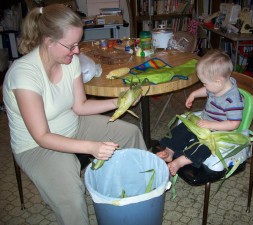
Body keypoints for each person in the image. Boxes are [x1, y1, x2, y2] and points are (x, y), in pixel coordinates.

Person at [2, 4, 146, 225]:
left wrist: (118, 102)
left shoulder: (70, 61)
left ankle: (139, 191)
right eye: (71, 46)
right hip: (36, 146)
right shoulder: (24, 75)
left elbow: (80, 106)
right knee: (71, 196)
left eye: (77, 44)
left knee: (130, 132)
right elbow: (41, 136)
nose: (77, 51)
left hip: (73, 124)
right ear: (48, 41)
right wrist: (91, 147)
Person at [156, 49, 244, 176]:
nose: (204, 86)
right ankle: (169, 152)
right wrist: (194, 94)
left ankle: (180, 161)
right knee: (182, 129)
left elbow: (234, 123)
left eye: (205, 83)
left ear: (218, 82)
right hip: (205, 122)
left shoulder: (232, 100)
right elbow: (207, 90)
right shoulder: (217, 85)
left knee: (204, 148)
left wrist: (211, 125)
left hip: (218, 132)